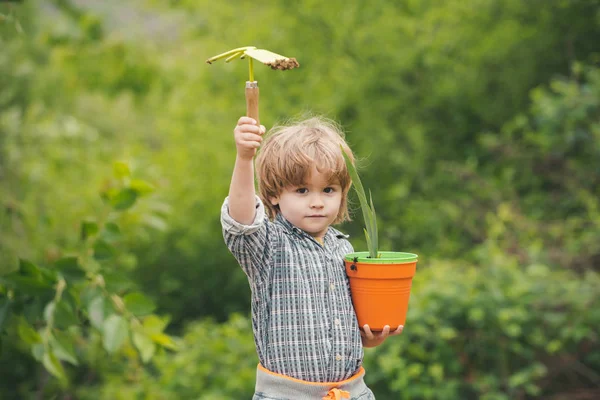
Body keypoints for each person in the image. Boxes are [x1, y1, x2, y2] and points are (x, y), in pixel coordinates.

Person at [221, 116, 404, 400]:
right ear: (273, 195)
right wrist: (245, 159)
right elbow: (241, 222)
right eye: (302, 190)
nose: (317, 201)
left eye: (328, 190)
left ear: (342, 193)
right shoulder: (268, 245)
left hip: (351, 393)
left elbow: (350, 325)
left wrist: (369, 337)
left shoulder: (345, 250)